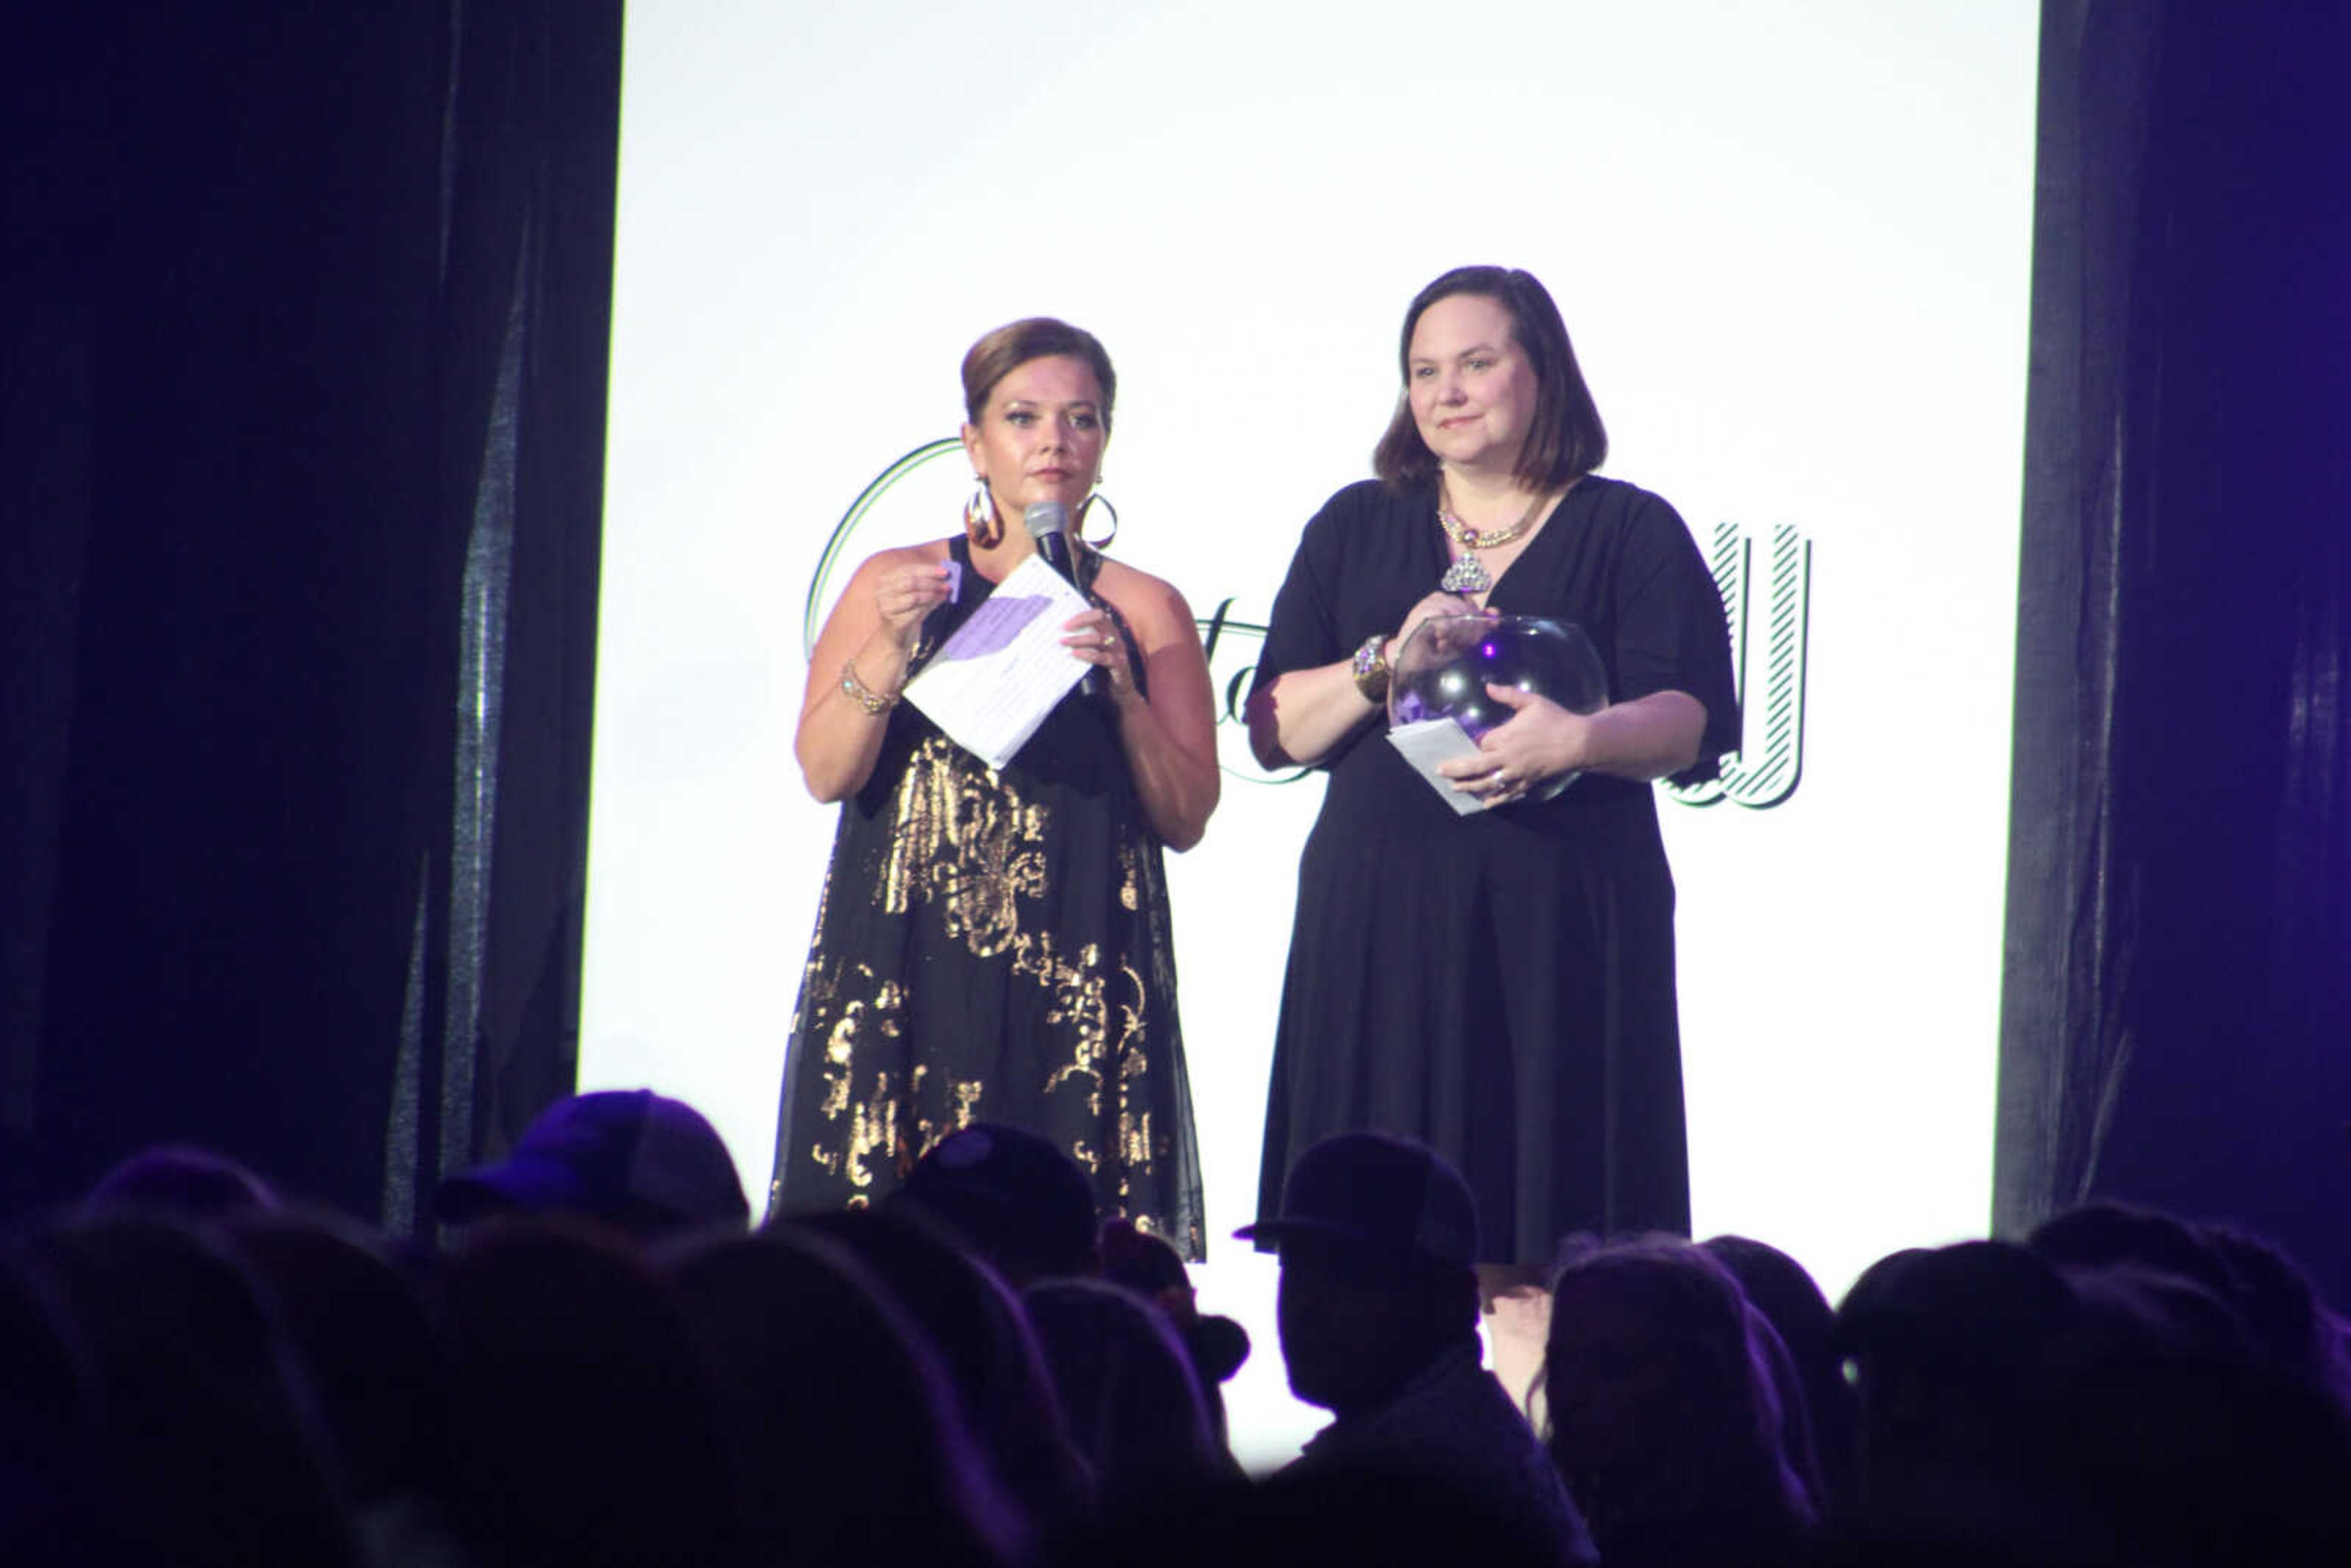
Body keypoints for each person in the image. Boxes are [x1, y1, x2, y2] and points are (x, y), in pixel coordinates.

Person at [1243, 266, 1739, 1352]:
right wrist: (1385, 659)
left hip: (1556, 924)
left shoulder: (1629, 528)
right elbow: (1277, 727)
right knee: (1371, 1249)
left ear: (1542, 372)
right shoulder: (1353, 527)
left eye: (1475, 363)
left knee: (1540, 1241)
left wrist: (1581, 738)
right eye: (1424, 371)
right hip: (1382, 925)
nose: (1446, 392)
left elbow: (1691, 718)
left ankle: (1534, 1488)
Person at [773, 317, 1217, 1258]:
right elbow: (825, 772)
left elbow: (1186, 817)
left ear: (1105, 440)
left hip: (1081, 968)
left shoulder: (1145, 606)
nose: (1055, 440)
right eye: (1023, 417)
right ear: (975, 441)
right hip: (907, 965)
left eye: (1081, 418)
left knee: (1065, 1264)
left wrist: (1127, 697)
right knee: (882, 1267)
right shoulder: (898, 581)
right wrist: (890, 647)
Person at [1236, 1131, 1599, 1566]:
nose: (1308, 1303)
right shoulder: (1461, 1441)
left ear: (1453, 1299)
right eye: (1297, 1267)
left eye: (1348, 1274)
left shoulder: (1417, 1485)